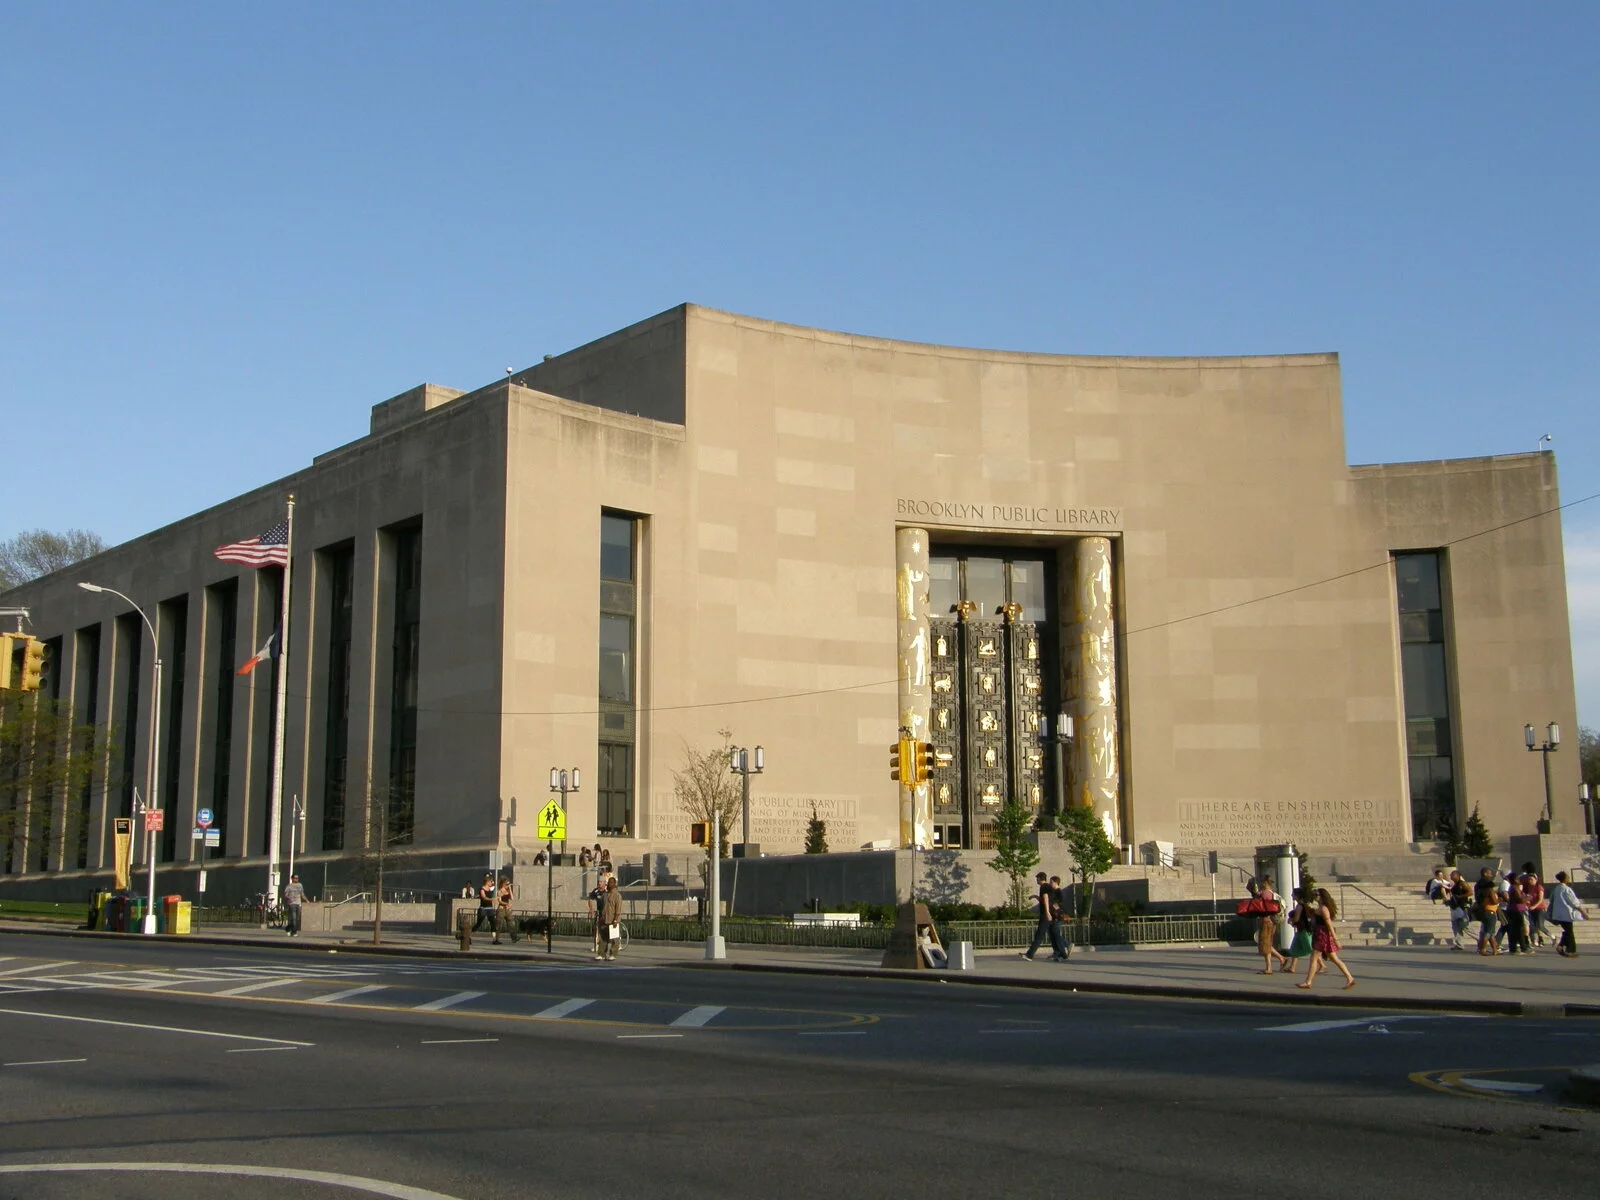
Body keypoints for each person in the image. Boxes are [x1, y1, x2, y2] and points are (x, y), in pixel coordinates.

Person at [1296, 887, 1355, 990]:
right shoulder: (1320, 907)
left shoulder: (1323, 909)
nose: (1315, 897)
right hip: (1320, 934)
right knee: (1334, 958)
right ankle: (1350, 978)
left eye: (1316, 895)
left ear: (1322, 897)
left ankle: (1308, 982)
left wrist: (1336, 939)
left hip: (1322, 935)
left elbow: (1329, 924)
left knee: (1314, 958)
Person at [1020, 872, 1066, 961]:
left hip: (1046, 915)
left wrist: (1047, 912)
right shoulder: (1048, 887)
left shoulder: (1044, 887)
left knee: (1039, 935)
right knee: (1054, 936)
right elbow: (1048, 900)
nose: (1036, 880)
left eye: (1037, 879)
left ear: (1040, 878)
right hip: (1051, 915)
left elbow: (1045, 898)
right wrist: (1035, 896)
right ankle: (1063, 955)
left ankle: (1029, 955)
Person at [1548, 871, 1588, 958]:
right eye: (1567, 877)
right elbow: (1574, 902)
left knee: (1567, 931)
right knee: (1569, 932)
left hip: (1558, 914)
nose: (1568, 879)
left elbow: (1551, 900)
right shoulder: (1566, 889)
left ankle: (1561, 945)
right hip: (1566, 914)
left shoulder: (1556, 889)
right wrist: (1583, 912)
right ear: (1565, 879)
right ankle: (1570, 951)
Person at [1255, 875, 1289, 975]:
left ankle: (1279, 960)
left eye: (1261, 881)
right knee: (1267, 944)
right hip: (1272, 922)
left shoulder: (1265, 894)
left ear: (1265, 882)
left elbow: (1261, 907)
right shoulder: (1273, 894)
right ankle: (1271, 965)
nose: (1260, 883)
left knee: (1265, 944)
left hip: (1266, 921)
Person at [1473, 868, 1501, 955]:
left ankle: (1495, 950)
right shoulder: (1489, 890)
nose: (1491, 875)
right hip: (1490, 911)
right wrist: (1500, 899)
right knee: (1488, 932)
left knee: (1491, 932)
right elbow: (1494, 901)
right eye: (1489, 874)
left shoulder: (1479, 889)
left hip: (1484, 911)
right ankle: (1482, 949)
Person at [1503, 871, 1531, 954]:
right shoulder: (1514, 888)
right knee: (1519, 929)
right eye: (1517, 879)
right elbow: (1520, 900)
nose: (1519, 880)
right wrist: (1528, 898)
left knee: (1515, 930)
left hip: (1515, 910)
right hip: (1515, 910)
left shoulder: (1514, 887)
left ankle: (1514, 948)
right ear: (1514, 880)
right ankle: (1523, 947)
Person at [1446, 869, 1473, 950]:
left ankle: (1480, 940)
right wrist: (1449, 902)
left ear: (1458, 875)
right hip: (1455, 908)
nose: (1450, 876)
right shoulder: (1455, 885)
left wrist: (1460, 897)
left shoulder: (1462, 883)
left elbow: (1470, 892)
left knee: (1465, 926)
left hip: (1461, 907)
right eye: (1450, 875)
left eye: (1452, 875)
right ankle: (1459, 944)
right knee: (1455, 927)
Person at [598, 876, 623, 961]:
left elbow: (618, 908)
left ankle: (613, 954)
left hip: (613, 919)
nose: (610, 884)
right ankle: (601, 954)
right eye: (609, 882)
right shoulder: (605, 895)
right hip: (604, 919)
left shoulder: (617, 895)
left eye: (612, 882)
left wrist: (616, 919)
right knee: (603, 938)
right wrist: (601, 917)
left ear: (615, 884)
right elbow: (602, 907)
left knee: (614, 939)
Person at [1047, 875, 1071, 961]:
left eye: (1051, 882)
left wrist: (1053, 905)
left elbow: (1059, 903)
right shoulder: (1053, 891)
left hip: (1058, 916)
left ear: (1056, 882)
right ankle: (1057, 952)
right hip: (1053, 915)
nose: (1050, 884)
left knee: (1055, 933)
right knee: (1052, 933)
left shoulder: (1058, 891)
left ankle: (1065, 945)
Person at [587, 874, 607, 956]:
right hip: (599, 912)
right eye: (599, 882)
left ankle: (616, 943)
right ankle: (596, 945)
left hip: (607, 912)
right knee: (596, 928)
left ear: (605, 883)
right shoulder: (596, 891)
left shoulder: (607, 891)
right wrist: (591, 909)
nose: (599, 883)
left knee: (608, 929)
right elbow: (590, 899)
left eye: (601, 882)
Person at [494, 875, 514, 945]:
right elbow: (500, 901)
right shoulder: (499, 891)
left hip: (507, 909)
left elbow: (512, 898)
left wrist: (510, 889)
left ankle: (513, 937)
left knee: (510, 923)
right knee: (499, 925)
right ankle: (497, 939)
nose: (507, 885)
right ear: (503, 884)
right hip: (501, 909)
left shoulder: (507, 891)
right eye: (506, 884)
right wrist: (506, 904)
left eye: (508, 884)